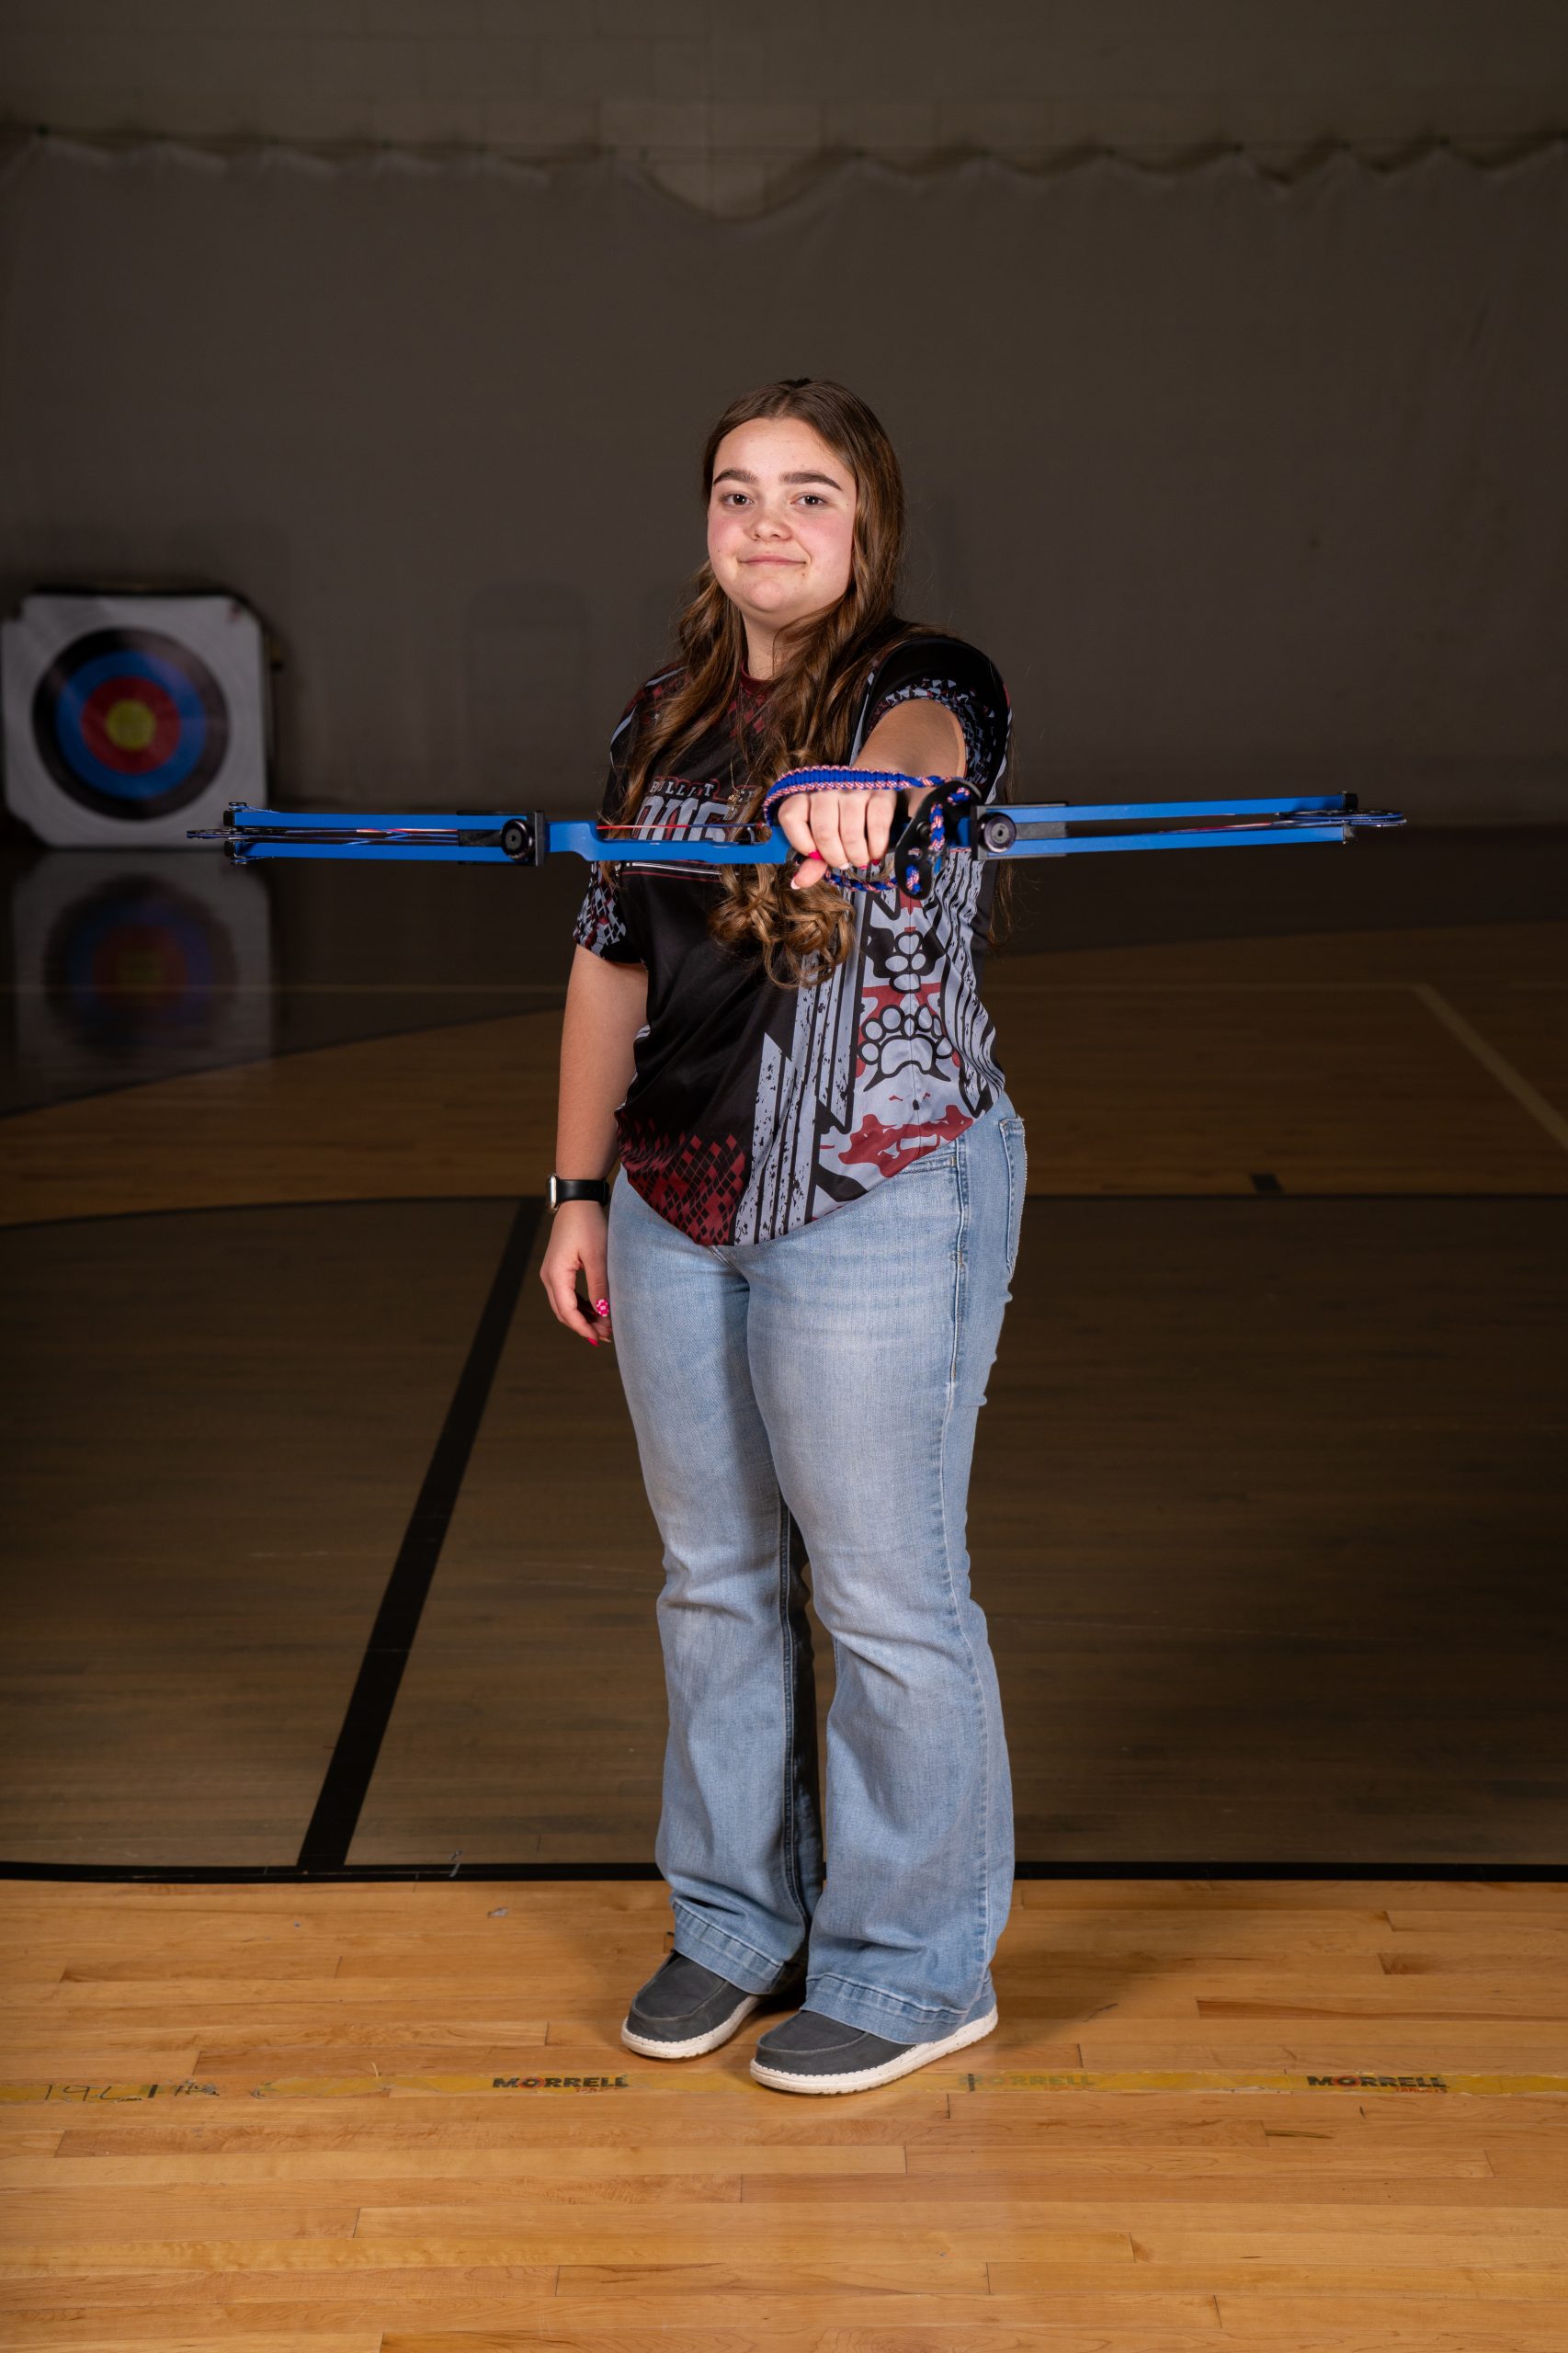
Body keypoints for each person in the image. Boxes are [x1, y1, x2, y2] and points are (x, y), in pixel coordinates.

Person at [541, 378, 1027, 2097]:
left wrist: (865, 792)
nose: (767, 522)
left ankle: (913, 1967)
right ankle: (737, 1920)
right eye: (737, 490)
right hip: (675, 1196)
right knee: (712, 1584)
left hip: (877, 1189)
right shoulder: (657, 718)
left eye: (809, 493)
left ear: (864, 523)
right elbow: (609, 956)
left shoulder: (926, 680)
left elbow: (928, 743)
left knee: (889, 1597)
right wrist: (575, 1190)